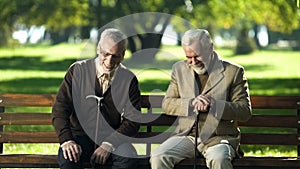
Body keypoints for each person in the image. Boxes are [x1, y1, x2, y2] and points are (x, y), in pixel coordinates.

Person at [150, 29, 252, 169]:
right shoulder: (179, 69)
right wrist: (191, 103)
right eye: (188, 57)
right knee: (158, 157)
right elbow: (167, 104)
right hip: (186, 136)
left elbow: (244, 111)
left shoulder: (233, 72)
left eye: (197, 56)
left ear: (210, 48)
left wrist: (214, 105)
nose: (193, 62)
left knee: (219, 159)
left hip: (218, 139)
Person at [52, 28, 141, 169]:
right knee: (68, 159)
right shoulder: (78, 71)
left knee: (128, 160)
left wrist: (109, 144)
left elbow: (133, 120)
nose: (110, 61)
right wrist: (67, 140)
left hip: (113, 138)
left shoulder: (128, 79)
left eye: (116, 56)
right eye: (105, 54)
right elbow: (60, 109)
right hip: (79, 137)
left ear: (123, 54)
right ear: (98, 49)